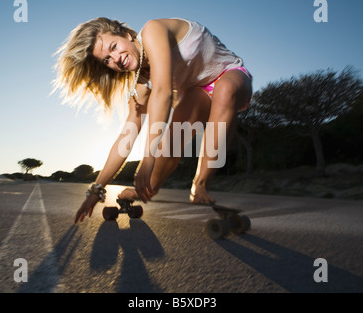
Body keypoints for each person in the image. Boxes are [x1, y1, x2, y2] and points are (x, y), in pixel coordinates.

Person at [53, 17, 252, 223]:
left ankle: (201, 183)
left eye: (114, 47)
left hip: (231, 75)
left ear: (127, 35)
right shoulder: (140, 82)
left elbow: (163, 92)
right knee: (170, 144)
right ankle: (149, 188)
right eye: (107, 60)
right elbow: (127, 136)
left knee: (225, 91)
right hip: (198, 92)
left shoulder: (153, 30)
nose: (116, 59)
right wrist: (96, 189)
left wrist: (148, 159)